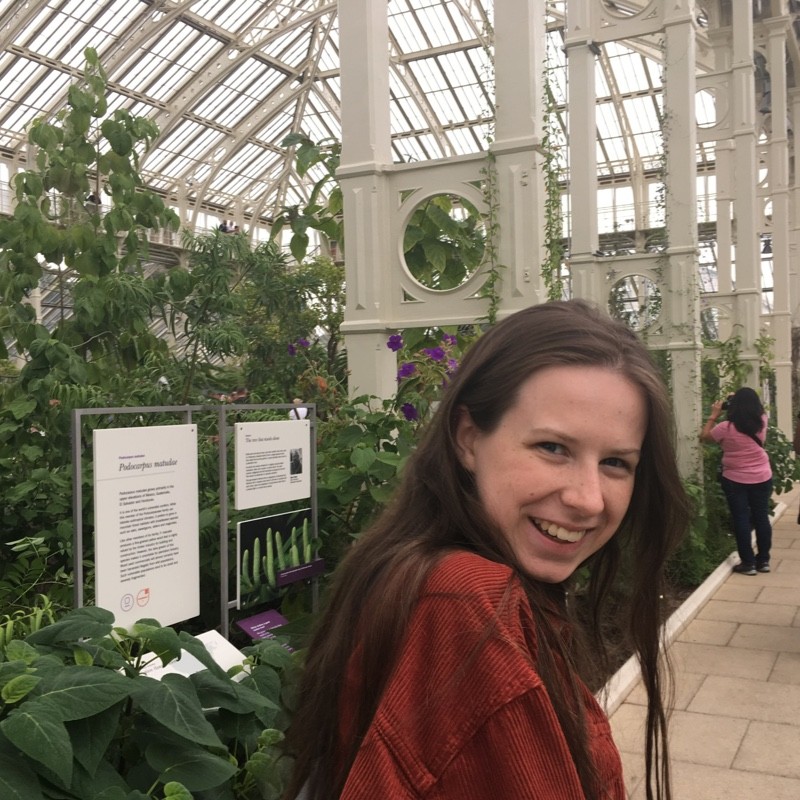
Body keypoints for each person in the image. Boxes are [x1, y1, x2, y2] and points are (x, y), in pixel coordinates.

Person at [285, 300, 690, 800]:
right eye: (553, 448)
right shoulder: (466, 600)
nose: (587, 499)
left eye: (615, 463)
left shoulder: (407, 566)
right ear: (469, 437)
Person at [700, 387, 772, 575]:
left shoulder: (725, 428)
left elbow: (705, 437)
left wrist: (714, 415)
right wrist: (737, 399)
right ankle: (763, 561)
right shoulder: (762, 421)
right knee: (761, 517)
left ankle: (748, 563)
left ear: (734, 406)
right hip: (762, 476)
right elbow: (754, 408)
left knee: (741, 518)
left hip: (735, 479)